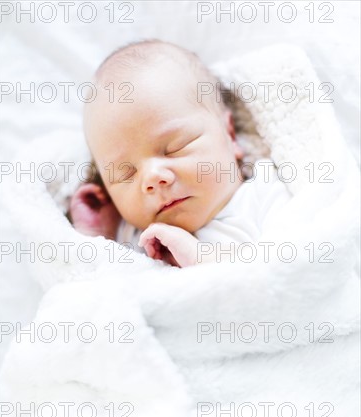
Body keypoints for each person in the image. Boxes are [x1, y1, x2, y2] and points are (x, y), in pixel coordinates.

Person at [70, 39, 290, 267]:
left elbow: (288, 265)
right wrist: (96, 237)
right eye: (125, 174)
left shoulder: (263, 196)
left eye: (176, 147)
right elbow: (98, 290)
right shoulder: (131, 239)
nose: (152, 177)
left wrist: (200, 258)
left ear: (229, 134)